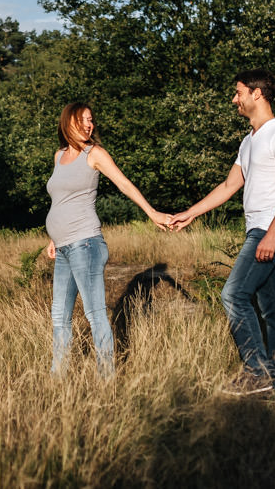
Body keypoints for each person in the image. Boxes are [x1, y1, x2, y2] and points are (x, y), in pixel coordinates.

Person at [170, 69, 275, 395]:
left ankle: (257, 372)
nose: (235, 99)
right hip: (259, 230)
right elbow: (230, 185)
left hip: (271, 231)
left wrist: (271, 234)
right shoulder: (249, 141)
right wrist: (190, 213)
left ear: (257, 94)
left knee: (234, 294)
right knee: (274, 312)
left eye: (239, 92)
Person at [45, 102, 171, 377]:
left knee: (95, 315)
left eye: (91, 120)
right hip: (65, 246)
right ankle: (57, 377)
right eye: (83, 120)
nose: (89, 125)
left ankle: (106, 378)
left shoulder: (95, 154)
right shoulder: (59, 156)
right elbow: (61, 199)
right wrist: (54, 237)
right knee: (59, 317)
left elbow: (123, 183)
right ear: (68, 122)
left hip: (86, 244)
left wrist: (152, 213)